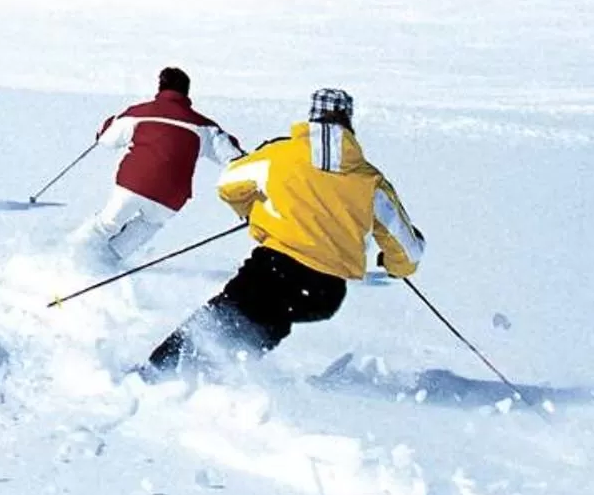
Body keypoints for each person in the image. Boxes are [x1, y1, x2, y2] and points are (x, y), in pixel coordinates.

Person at [140, 89, 421, 379]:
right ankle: (215, 379)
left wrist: (252, 210)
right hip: (326, 291)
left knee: (224, 317)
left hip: (276, 269)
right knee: (268, 321)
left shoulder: (278, 156)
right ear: (348, 121)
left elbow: (229, 182)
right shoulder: (371, 180)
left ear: (312, 117)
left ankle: (156, 376)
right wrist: (394, 265)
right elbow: (409, 252)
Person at [74, 66, 241, 268]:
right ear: (187, 92)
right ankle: (105, 264)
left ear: (160, 86)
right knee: (149, 225)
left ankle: (71, 255)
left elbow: (107, 139)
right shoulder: (205, 126)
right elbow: (234, 157)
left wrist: (107, 126)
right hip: (172, 196)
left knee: (107, 224)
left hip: (134, 183)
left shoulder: (138, 113)